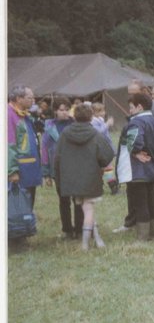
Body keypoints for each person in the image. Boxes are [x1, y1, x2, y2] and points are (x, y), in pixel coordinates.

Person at [113, 80, 154, 233]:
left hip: (144, 167)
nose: (130, 97)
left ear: (143, 93)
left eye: (133, 94)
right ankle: (143, 228)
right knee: (143, 197)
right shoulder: (145, 117)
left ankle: (145, 232)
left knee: (145, 200)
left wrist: (138, 151)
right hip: (147, 165)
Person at [53, 103, 115, 250]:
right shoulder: (95, 134)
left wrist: (58, 177)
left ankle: (95, 238)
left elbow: (57, 157)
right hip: (90, 178)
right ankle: (85, 244)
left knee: (84, 207)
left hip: (70, 178)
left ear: (74, 116)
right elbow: (107, 155)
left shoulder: (65, 134)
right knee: (89, 209)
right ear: (90, 116)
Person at [41, 97, 84, 239]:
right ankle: (67, 229)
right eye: (61, 110)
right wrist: (46, 173)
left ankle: (79, 229)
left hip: (76, 167)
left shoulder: (76, 124)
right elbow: (45, 151)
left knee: (78, 199)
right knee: (63, 200)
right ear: (55, 111)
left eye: (66, 109)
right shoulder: (49, 127)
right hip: (58, 169)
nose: (64, 113)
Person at [8, 85, 42, 208]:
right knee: (17, 207)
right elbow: (9, 145)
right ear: (18, 98)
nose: (33, 100)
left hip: (29, 170)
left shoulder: (25, 115)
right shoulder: (9, 115)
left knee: (28, 204)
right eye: (30, 97)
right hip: (19, 172)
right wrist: (12, 171)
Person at [91, 102, 118, 194]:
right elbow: (99, 132)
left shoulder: (100, 120)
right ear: (94, 112)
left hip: (105, 147)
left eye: (103, 110)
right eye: (100, 111)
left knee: (103, 168)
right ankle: (113, 187)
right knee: (107, 167)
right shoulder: (93, 122)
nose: (103, 112)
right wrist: (107, 124)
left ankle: (99, 186)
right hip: (101, 148)